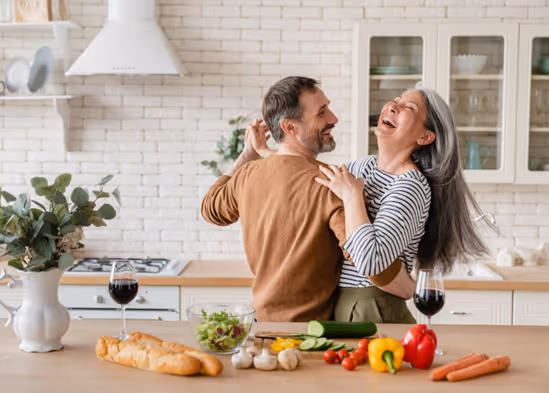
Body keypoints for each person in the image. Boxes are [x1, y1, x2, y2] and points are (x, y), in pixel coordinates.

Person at [200, 77, 401, 322]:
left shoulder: (247, 175)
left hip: (261, 325)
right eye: (322, 113)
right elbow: (373, 264)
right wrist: (412, 287)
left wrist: (247, 155)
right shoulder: (331, 183)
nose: (333, 119)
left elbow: (210, 209)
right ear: (289, 127)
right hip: (309, 335)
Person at [312, 86, 495, 322]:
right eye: (396, 100)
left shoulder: (411, 186)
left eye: (408, 107)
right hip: (341, 303)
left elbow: (371, 262)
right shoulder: (361, 168)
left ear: (425, 137)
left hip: (374, 307)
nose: (391, 106)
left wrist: (352, 197)